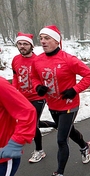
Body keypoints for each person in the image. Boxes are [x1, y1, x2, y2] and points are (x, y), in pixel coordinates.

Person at [31, 25, 90, 176]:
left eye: (47, 38)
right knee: (69, 130)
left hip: (69, 105)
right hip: (53, 105)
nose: (43, 41)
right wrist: (38, 87)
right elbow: (34, 77)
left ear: (56, 40)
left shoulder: (68, 59)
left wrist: (74, 90)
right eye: (41, 38)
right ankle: (85, 146)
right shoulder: (38, 60)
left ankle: (58, 175)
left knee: (61, 139)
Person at [11, 32, 56, 163]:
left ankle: (39, 151)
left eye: (25, 44)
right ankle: (57, 124)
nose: (22, 47)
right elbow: (15, 76)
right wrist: (14, 91)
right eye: (20, 44)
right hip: (22, 97)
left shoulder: (38, 60)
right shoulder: (15, 60)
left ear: (31, 46)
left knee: (32, 124)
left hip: (37, 97)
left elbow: (46, 77)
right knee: (29, 122)